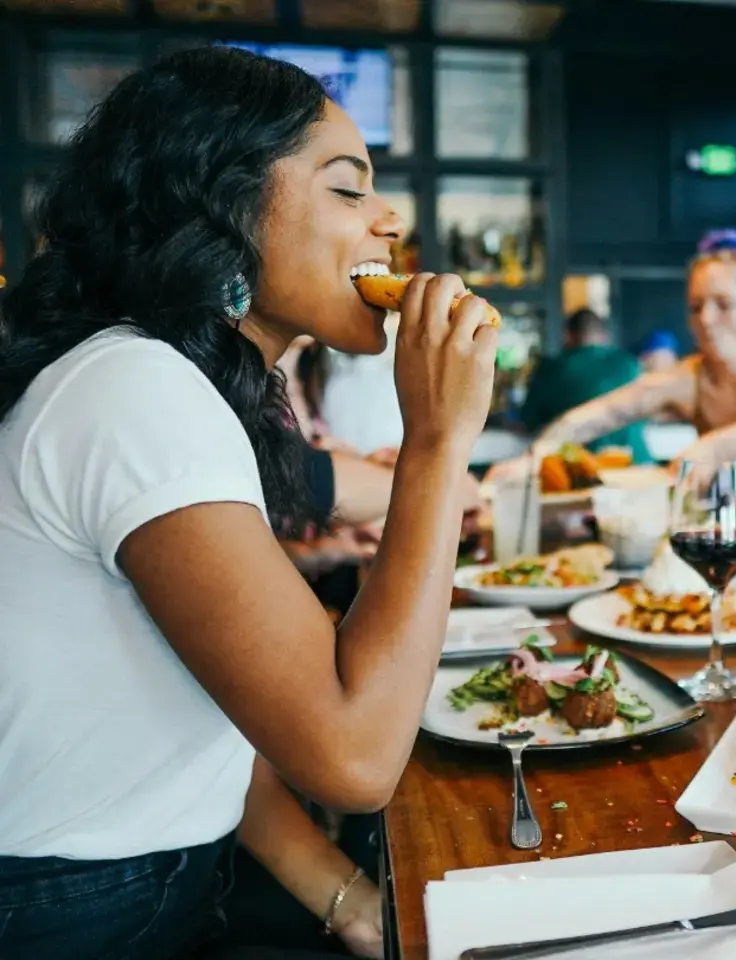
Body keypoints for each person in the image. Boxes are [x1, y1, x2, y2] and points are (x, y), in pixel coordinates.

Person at [0, 46, 497, 960]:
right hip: (74, 915)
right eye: (349, 191)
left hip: (155, 878)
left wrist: (348, 898)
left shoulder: (189, 387)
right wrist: (438, 441)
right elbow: (354, 758)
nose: (391, 222)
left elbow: (211, 725)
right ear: (220, 204)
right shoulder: (133, 389)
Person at [490, 230, 736, 477]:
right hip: (727, 533)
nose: (705, 319)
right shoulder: (690, 377)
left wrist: (713, 447)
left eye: (724, 304)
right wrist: (535, 456)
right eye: (696, 306)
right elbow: (602, 414)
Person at [520, 308, 653, 463]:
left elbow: (527, 422)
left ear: (568, 335)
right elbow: (646, 415)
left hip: (581, 468)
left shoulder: (552, 368)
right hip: (638, 464)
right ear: (604, 335)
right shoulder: (630, 363)